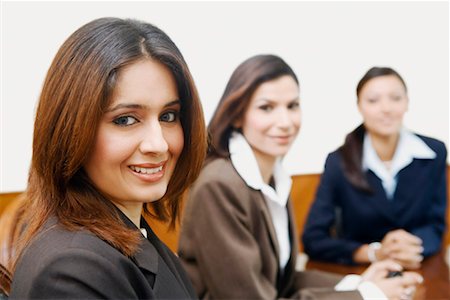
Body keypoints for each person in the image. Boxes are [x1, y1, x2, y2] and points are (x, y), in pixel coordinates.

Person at [178, 56, 422, 300]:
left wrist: (359, 282)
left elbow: (282, 280)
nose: (285, 122)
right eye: (266, 108)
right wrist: (368, 295)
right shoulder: (219, 185)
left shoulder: (271, 176)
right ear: (237, 115)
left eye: (292, 105)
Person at [9, 17, 207, 299]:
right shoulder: (71, 272)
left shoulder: (125, 228)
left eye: (168, 116)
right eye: (126, 120)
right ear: (71, 129)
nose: (158, 144)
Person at [302, 67, 447, 270]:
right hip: (361, 271)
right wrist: (374, 253)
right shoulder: (339, 161)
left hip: (419, 266)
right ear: (359, 106)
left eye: (395, 98)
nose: (386, 108)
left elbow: (436, 225)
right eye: (373, 100)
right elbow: (313, 238)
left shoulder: (434, 153)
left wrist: (410, 247)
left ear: (407, 102)